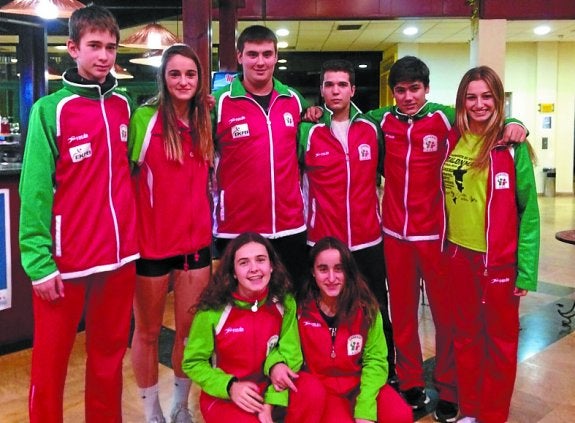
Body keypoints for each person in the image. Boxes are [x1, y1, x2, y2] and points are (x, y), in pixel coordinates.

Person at [366, 55, 527, 422]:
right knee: (403, 316)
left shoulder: (444, 118)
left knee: (447, 319)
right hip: (395, 235)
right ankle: (410, 381)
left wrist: (515, 122)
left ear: (427, 89)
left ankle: (450, 389)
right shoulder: (382, 121)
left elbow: (483, 120)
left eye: (415, 89)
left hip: (438, 238)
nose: (408, 97)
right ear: (393, 93)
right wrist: (316, 113)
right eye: (401, 90)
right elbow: (350, 114)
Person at [18, 5, 139, 422]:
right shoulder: (50, 110)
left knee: (109, 359)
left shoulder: (124, 106)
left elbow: (129, 171)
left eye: (111, 47)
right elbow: (34, 191)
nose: (104, 56)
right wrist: (39, 264)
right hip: (65, 263)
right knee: (50, 364)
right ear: (73, 48)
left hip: (119, 258)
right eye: (94, 46)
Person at [442, 66, 539, 423]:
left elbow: (529, 212)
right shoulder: (453, 137)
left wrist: (525, 271)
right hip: (458, 255)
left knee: (499, 342)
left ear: (498, 99)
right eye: (471, 97)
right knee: (465, 337)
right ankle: (470, 410)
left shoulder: (512, 146)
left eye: (487, 96)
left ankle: (494, 415)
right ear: (461, 101)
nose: (479, 104)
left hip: (498, 261)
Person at [128, 44, 213, 423]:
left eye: (190, 74)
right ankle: (151, 411)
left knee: (189, 333)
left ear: (199, 80)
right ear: (163, 77)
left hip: (195, 246)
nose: (183, 81)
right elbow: (122, 177)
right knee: (147, 333)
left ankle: (180, 405)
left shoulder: (205, 120)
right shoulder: (144, 119)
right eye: (175, 73)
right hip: (151, 246)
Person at [298, 59, 395, 380]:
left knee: (376, 308)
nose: (335, 91)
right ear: (321, 90)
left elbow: (408, 111)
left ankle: (386, 373)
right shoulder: (307, 131)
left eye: (342, 84)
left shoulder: (371, 128)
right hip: (323, 241)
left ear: (353, 89)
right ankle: (325, 372)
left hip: (368, 239)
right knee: (325, 311)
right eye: (329, 85)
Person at [211, 25, 309, 289]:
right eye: (252, 54)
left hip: (290, 226)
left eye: (267, 54)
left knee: (290, 302)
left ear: (276, 57)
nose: (260, 62)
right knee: (239, 302)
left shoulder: (293, 100)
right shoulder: (219, 103)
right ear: (239, 56)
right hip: (236, 227)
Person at [279, 236, 411, 423]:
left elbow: (375, 360)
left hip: (360, 384)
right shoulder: (299, 308)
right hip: (324, 390)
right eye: (323, 269)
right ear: (313, 272)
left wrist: (365, 408)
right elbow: (286, 352)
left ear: (348, 271)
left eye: (338, 269)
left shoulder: (366, 307)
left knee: (400, 416)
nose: (331, 278)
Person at [182, 232, 302, 423]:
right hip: (227, 397)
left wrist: (271, 399)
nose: (254, 268)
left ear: (271, 266)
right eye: (244, 263)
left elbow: (291, 352)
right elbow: (193, 362)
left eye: (260, 260)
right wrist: (229, 386)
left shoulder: (285, 302)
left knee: (312, 391)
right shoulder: (212, 310)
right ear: (233, 272)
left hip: (271, 388)